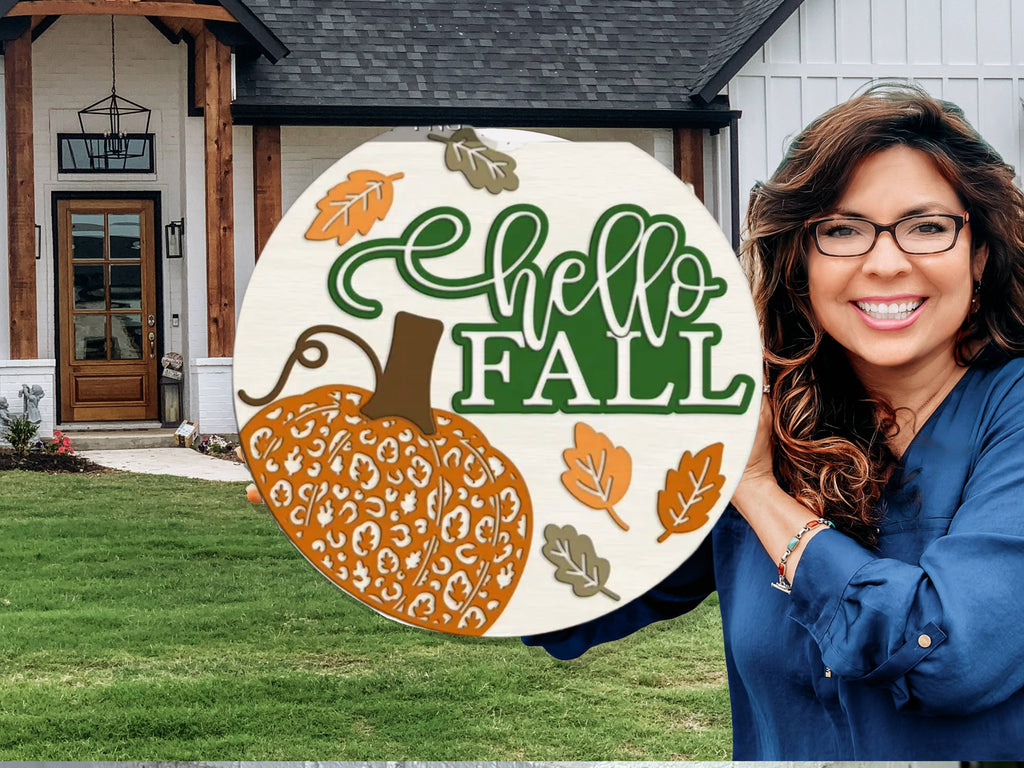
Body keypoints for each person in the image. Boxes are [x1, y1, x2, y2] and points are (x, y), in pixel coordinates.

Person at [524, 83, 1024, 759]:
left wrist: (759, 491)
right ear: (801, 261)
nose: (884, 262)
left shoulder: (1009, 413)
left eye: (927, 226)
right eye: (842, 230)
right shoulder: (766, 412)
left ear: (981, 252)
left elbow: (951, 656)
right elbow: (575, 599)